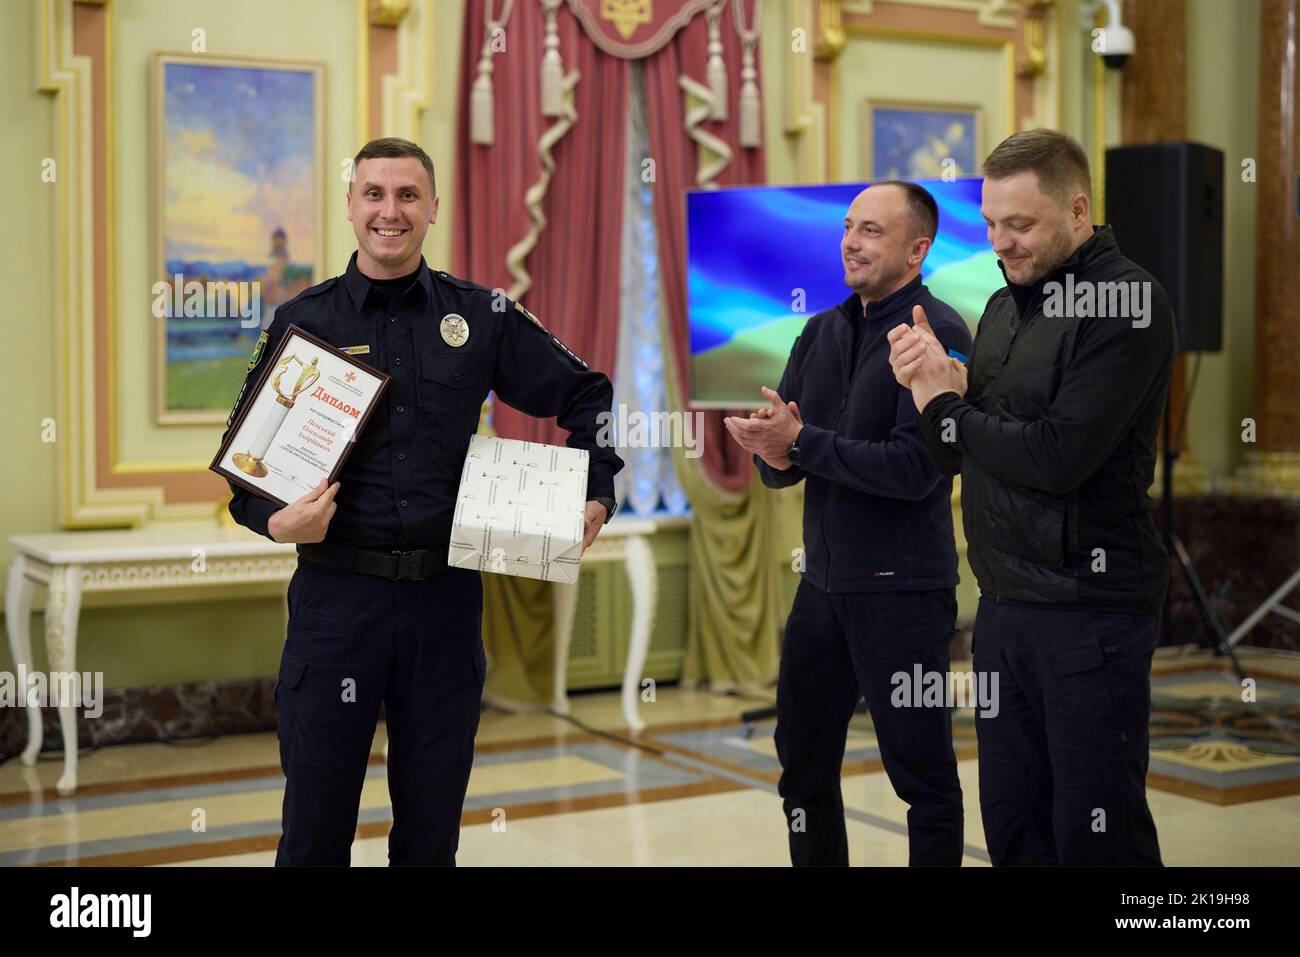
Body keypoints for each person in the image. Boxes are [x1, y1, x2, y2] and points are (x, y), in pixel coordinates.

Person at [220, 137, 623, 866]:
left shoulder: (483, 314)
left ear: (432, 208)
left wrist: (596, 486)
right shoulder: (301, 323)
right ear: (350, 206)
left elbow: (587, 394)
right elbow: (244, 474)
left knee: (430, 838)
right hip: (337, 603)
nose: (390, 211)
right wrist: (278, 522)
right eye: (374, 193)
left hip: (445, 600)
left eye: (408, 195)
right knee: (313, 833)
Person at [888, 128, 1174, 866]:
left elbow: (1057, 456)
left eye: (1020, 225)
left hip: (1089, 609)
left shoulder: (1129, 303)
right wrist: (934, 387)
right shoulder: (1004, 307)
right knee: (1015, 824)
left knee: (1096, 833)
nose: (1001, 243)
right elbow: (959, 450)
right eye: (989, 224)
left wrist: (947, 408)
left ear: (1078, 211)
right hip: (1005, 606)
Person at [725, 181, 973, 866]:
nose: (851, 242)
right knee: (801, 766)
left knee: (921, 779)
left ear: (918, 249)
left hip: (901, 592)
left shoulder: (937, 333)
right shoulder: (821, 330)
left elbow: (916, 466)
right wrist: (774, 449)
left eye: (872, 231)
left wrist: (800, 444)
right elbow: (792, 460)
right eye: (848, 227)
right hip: (823, 589)